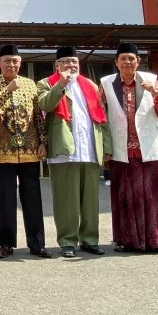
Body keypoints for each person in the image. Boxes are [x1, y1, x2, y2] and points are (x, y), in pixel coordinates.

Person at [99, 44, 158, 252]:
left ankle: (157, 240)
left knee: (153, 195)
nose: (127, 62)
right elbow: (101, 115)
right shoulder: (106, 83)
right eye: (123, 58)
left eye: (131, 58)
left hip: (149, 145)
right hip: (120, 147)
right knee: (124, 196)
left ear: (138, 61)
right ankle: (127, 240)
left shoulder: (151, 80)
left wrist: (155, 93)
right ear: (116, 62)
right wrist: (104, 146)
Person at [37, 46, 112, 258]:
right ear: (57, 66)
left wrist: (106, 147)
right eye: (67, 62)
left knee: (90, 200)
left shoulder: (89, 84)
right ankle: (67, 241)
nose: (71, 66)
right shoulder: (45, 83)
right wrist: (62, 83)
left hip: (89, 148)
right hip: (64, 150)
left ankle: (90, 239)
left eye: (74, 62)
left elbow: (102, 117)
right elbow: (46, 104)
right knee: (66, 200)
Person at [0, 45, 50, 259]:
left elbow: (38, 116)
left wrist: (43, 141)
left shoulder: (30, 84)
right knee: (5, 199)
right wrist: (8, 89)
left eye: (15, 61)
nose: (12, 65)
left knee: (32, 198)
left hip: (29, 148)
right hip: (3, 149)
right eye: (7, 61)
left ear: (20, 63)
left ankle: (37, 243)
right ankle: (5, 243)